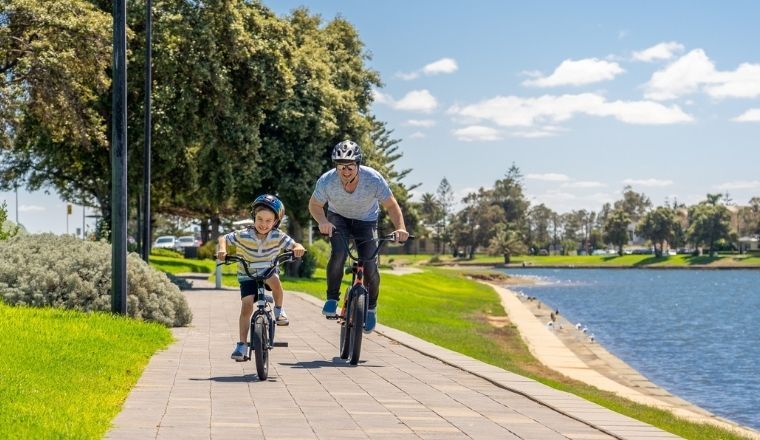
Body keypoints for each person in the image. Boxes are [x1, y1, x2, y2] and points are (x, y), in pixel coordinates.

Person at [308, 140, 409, 333]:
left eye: (350, 167)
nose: (345, 171)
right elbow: (314, 205)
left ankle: (371, 307)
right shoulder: (327, 181)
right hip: (338, 218)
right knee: (338, 253)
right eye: (340, 167)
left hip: (367, 221)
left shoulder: (373, 179)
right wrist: (323, 221)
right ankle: (331, 298)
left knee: (370, 264)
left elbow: (391, 206)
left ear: (358, 165)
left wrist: (401, 227)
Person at [217, 194, 305, 361]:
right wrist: (223, 249)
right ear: (254, 217)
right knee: (247, 305)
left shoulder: (277, 236)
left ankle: (279, 310)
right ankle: (242, 345)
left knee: (276, 282)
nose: (263, 224)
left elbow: (293, 244)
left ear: (275, 222)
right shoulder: (243, 234)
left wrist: (298, 246)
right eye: (260, 219)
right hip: (247, 274)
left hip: (268, 271)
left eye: (268, 221)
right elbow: (224, 238)